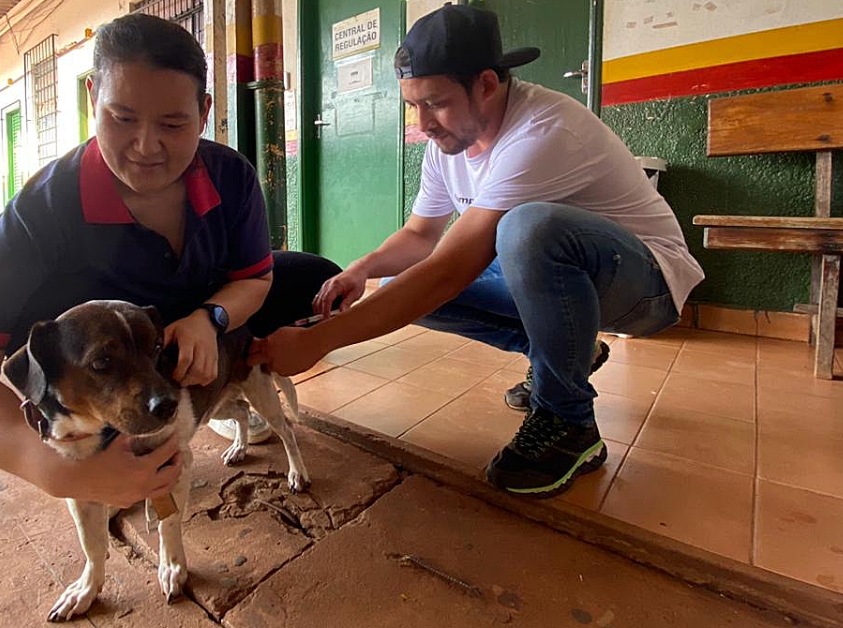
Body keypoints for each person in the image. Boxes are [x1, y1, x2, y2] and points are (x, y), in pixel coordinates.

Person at [252, 5, 704, 498]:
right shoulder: (447, 143)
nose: (422, 123)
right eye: (412, 106)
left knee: (527, 228)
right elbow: (421, 236)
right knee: (400, 285)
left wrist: (322, 341)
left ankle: (569, 421)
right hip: (575, 286)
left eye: (436, 103)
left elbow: (449, 268)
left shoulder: (543, 131)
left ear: (487, 84)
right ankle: (566, 354)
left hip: (648, 285)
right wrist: (362, 270)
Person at [0, 14, 340, 509]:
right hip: (98, 356)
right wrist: (53, 470)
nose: (147, 147)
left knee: (314, 276)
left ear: (204, 113)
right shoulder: (42, 211)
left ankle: (219, 400)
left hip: (178, 322)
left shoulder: (231, 176)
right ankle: (102, 420)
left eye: (173, 124)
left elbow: (255, 278)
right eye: (122, 118)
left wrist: (211, 319)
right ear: (91, 98)